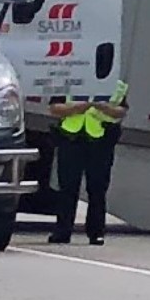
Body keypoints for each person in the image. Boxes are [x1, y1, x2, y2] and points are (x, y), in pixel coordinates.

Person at [48, 80, 126, 245]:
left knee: (97, 189)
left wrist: (102, 107)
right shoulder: (70, 80)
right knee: (67, 188)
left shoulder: (116, 85)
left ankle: (96, 233)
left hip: (101, 142)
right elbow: (55, 108)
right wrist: (78, 108)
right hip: (71, 140)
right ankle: (62, 232)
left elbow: (121, 111)